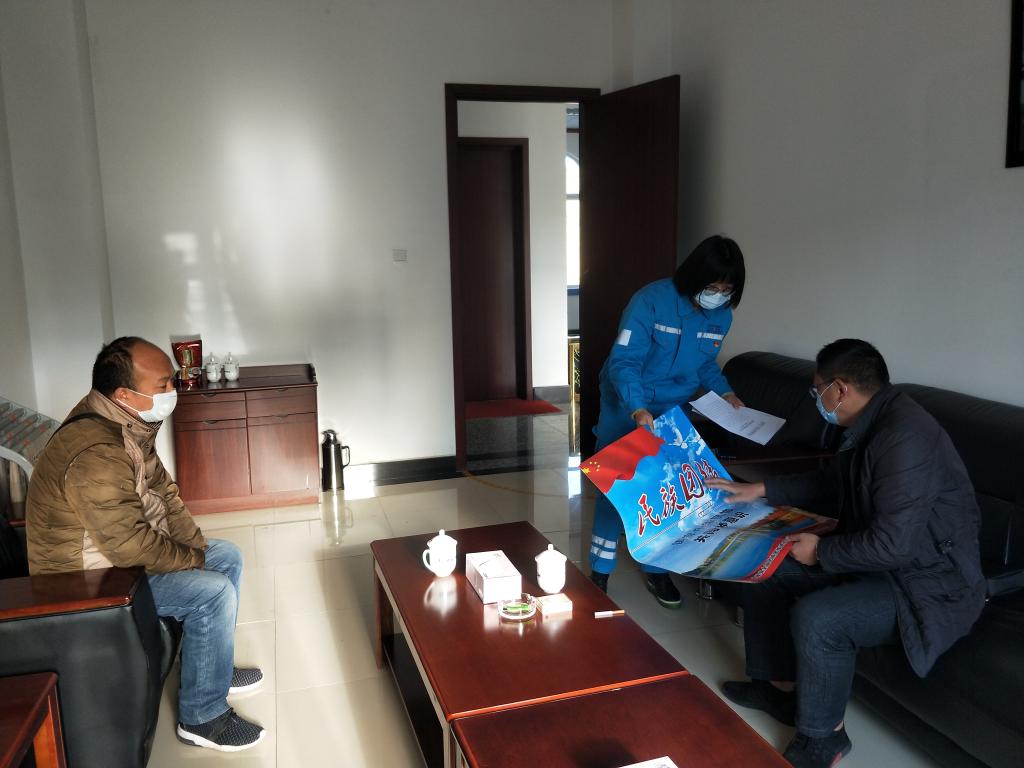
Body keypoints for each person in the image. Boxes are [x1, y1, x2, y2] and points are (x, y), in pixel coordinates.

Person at [707, 339, 985, 768]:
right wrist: (760, 489)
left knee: (820, 619)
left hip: (926, 582)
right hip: (885, 560)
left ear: (839, 389)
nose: (815, 397)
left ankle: (825, 738)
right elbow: (831, 480)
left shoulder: (905, 439)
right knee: (767, 565)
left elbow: (894, 546)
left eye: (816, 388)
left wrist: (821, 551)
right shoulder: (873, 421)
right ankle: (779, 689)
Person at [25, 337, 266, 752]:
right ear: (124, 393)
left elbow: (164, 493)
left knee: (225, 556)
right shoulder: (94, 450)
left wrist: (196, 549)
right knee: (213, 592)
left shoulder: (125, 423)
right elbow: (129, 547)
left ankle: (214, 670)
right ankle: (202, 718)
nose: (173, 390)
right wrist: (191, 560)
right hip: (88, 579)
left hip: (115, 558)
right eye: (164, 384)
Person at [589, 235, 746, 608]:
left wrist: (726, 393)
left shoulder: (722, 315)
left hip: (672, 409)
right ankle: (600, 569)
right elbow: (624, 361)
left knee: (665, 490)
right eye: (712, 287)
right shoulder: (650, 301)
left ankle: (657, 570)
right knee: (616, 485)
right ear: (695, 277)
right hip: (627, 400)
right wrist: (637, 408)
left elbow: (705, 363)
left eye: (727, 290)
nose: (719, 295)